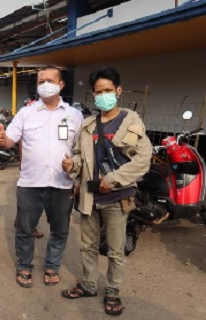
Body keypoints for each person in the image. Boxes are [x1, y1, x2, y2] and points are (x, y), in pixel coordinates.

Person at [60, 67, 152, 316]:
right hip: (89, 197)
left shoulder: (130, 120)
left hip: (117, 198)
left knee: (115, 250)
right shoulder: (89, 125)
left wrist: (112, 180)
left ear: (118, 91)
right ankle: (89, 285)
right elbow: (80, 157)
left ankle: (112, 291)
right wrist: (72, 165)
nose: (104, 96)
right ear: (93, 94)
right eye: (99, 92)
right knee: (87, 246)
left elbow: (143, 160)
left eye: (108, 91)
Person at [0, 66, 83, 288]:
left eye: (50, 80)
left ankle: (52, 265)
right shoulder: (26, 113)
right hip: (30, 183)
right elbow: (9, 142)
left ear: (61, 84)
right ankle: (25, 265)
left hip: (62, 184)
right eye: (41, 81)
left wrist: (75, 169)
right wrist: (2, 139)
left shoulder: (74, 115)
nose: (45, 84)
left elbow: (81, 150)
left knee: (60, 230)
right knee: (25, 229)